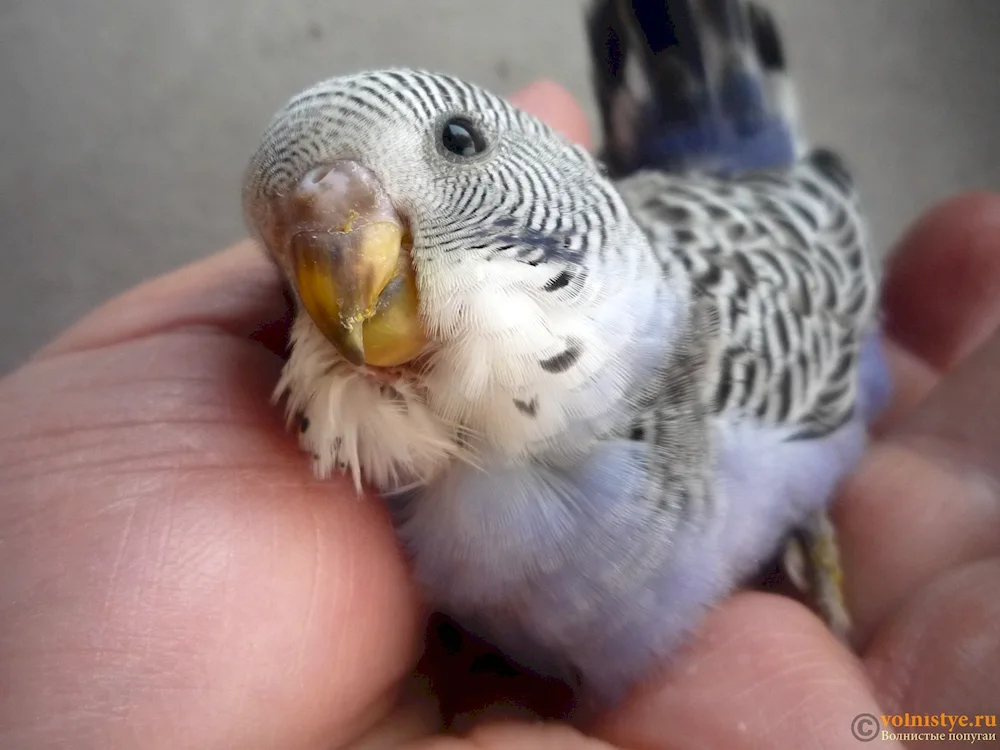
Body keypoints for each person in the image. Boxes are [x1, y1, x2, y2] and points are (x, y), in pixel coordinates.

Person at [1, 80, 997, 750]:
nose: (344, 235)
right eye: (295, 244)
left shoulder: (742, 369)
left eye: (458, 143)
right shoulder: (371, 477)